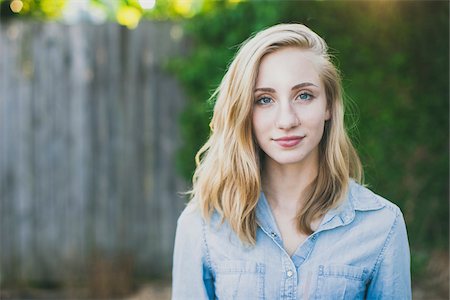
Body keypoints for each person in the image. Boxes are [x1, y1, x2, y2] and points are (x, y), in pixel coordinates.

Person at [172, 23, 411, 299]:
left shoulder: (382, 225)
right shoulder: (202, 225)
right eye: (264, 100)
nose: (287, 120)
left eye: (304, 95)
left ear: (329, 106)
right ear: (244, 111)